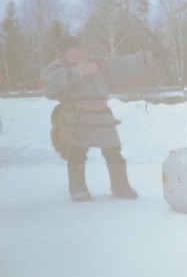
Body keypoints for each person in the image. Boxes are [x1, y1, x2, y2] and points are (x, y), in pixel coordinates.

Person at [41, 36, 154, 202]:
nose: (83, 50)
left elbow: (123, 64)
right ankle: (78, 189)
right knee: (77, 153)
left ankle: (120, 187)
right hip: (77, 116)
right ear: (66, 52)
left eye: (83, 47)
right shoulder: (57, 67)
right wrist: (79, 71)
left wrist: (149, 57)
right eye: (77, 48)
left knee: (114, 151)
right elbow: (50, 83)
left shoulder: (100, 64)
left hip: (102, 115)